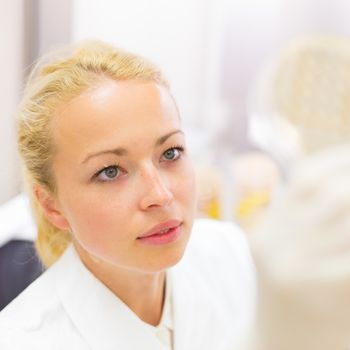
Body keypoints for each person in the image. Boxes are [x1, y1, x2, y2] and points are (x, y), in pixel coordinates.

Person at [0, 41, 255, 349]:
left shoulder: (228, 255)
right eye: (110, 171)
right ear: (52, 206)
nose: (160, 195)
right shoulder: (23, 341)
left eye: (171, 153)